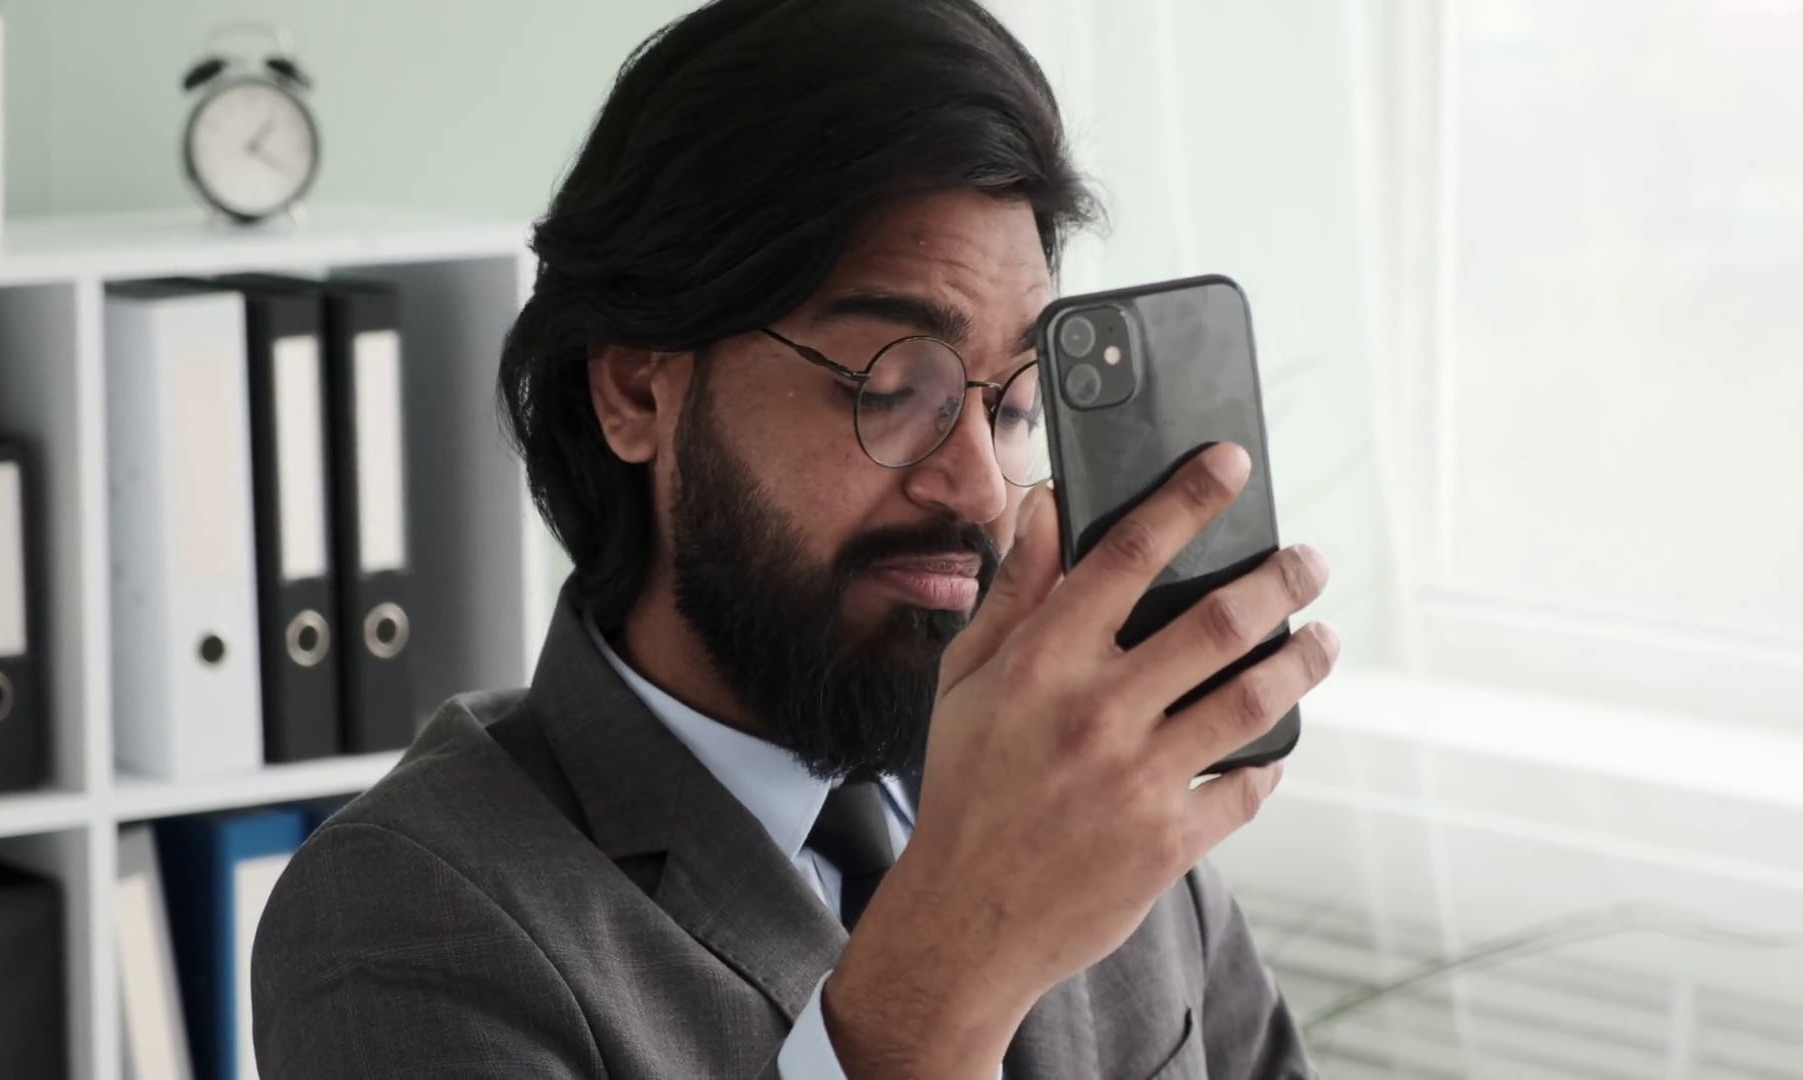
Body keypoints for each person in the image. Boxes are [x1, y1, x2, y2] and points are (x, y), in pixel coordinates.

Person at [252, 0, 1337, 1076]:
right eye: (892, 387)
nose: (977, 488)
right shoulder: (399, 920)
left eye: (1014, 404)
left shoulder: (1088, 788)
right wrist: (949, 980)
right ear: (636, 388)